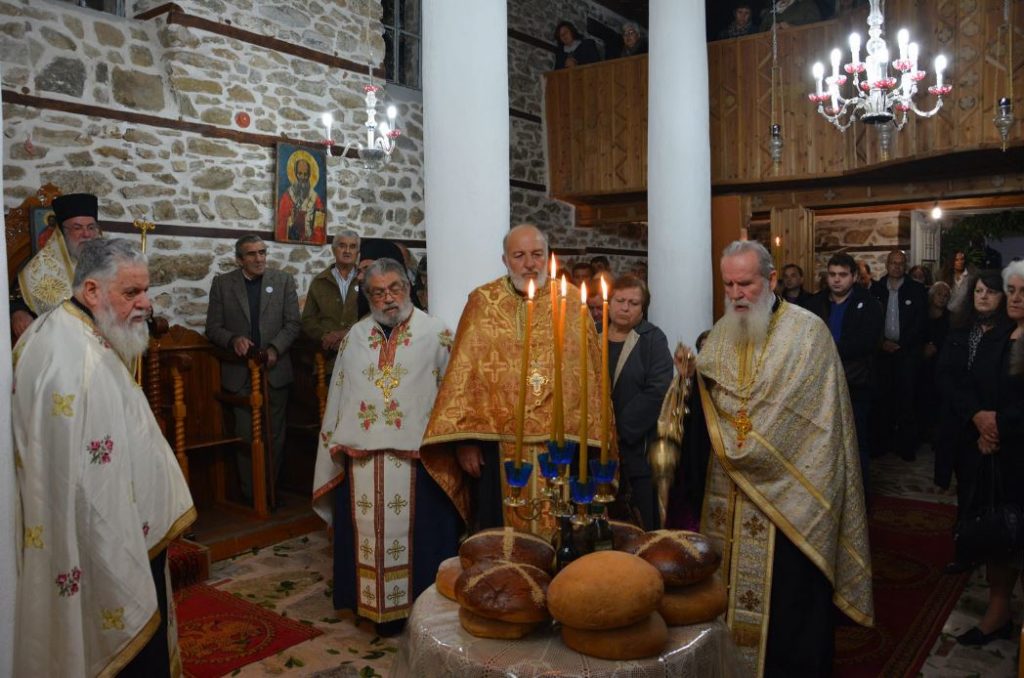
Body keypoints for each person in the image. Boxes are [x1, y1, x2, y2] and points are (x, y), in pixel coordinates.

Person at [681, 240, 873, 676]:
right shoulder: (722, 333)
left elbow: (814, 426)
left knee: (788, 611)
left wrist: (740, 445)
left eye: (745, 283)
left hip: (789, 506)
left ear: (769, 280)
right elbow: (705, 414)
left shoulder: (808, 333)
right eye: (728, 284)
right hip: (726, 502)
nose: (735, 294)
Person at [13, 238, 195, 676]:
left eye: (146, 291)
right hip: (101, 531)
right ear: (92, 291)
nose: (146, 304)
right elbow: (82, 475)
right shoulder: (73, 357)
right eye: (131, 293)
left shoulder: (72, 328)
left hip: (114, 518)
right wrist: (120, 533)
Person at [421, 224, 606, 536]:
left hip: (561, 445)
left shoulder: (573, 303)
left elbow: (592, 377)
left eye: (537, 255)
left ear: (548, 258)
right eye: (519, 256)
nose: (530, 264)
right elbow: (463, 379)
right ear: (505, 260)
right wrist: (466, 440)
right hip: (498, 446)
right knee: (500, 537)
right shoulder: (482, 302)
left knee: (566, 530)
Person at [312, 258, 460, 637]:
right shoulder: (355, 338)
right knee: (365, 538)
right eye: (378, 292)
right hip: (362, 464)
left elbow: (453, 397)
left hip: (419, 462)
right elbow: (340, 396)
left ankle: (423, 614)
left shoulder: (437, 333)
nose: (388, 298)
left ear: (408, 288)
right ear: (368, 296)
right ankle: (368, 608)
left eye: (394, 289)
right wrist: (337, 444)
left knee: (420, 541)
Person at [949, 262, 1024, 645]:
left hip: (1015, 447)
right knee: (1002, 534)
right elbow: (976, 384)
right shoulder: (1008, 334)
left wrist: (998, 429)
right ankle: (998, 613)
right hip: (999, 449)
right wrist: (982, 424)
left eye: (1021, 291)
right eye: (1010, 290)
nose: (1014, 297)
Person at [205, 235, 301, 504]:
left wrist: (274, 349)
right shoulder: (223, 285)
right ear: (239, 259)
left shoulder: (282, 281)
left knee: (275, 437)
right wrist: (233, 340)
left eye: (262, 252)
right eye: (251, 254)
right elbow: (213, 328)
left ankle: (270, 493)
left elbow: (293, 324)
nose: (259, 259)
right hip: (240, 375)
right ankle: (252, 496)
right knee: (247, 437)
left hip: (275, 372)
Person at [806, 252, 883, 496]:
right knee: (821, 443)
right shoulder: (815, 303)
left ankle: (859, 498)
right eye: (832, 275)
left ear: (854, 277)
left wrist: (827, 349)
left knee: (856, 441)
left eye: (842, 275)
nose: (837, 280)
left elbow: (867, 342)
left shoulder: (869, 303)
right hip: (819, 384)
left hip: (855, 384)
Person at [606, 274, 673, 529]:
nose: (625, 308)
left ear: (643, 308)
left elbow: (658, 389)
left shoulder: (652, 339)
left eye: (633, 303)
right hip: (595, 449)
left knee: (640, 524)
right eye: (620, 300)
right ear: (609, 302)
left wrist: (617, 429)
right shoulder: (593, 333)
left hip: (636, 450)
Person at [11, 192, 101, 339]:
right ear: (62, 233)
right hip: (60, 345)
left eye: (91, 227)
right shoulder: (39, 268)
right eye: (77, 228)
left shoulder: (111, 261)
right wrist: (17, 313)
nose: (86, 234)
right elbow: (16, 299)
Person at [871, 248, 928, 460]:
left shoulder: (916, 290)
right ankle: (882, 443)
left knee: (907, 400)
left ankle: (905, 447)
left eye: (900, 263)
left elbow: (921, 323)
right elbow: (871, 322)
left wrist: (902, 344)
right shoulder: (875, 289)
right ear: (886, 265)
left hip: (908, 353)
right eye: (893, 263)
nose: (896, 266)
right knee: (882, 399)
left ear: (905, 266)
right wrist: (881, 343)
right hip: (882, 354)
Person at [301, 230, 361, 360]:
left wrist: (347, 334)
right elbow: (308, 320)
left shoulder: (365, 280)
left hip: (359, 353)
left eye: (352, 247)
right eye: (342, 246)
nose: (347, 251)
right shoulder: (319, 281)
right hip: (327, 356)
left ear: (358, 252)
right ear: (333, 250)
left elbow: (371, 316)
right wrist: (326, 336)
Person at [276, 156, 326, 244]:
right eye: (300, 173)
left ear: (309, 175)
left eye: (305, 174)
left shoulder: (316, 199)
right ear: (295, 174)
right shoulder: (287, 196)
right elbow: (281, 223)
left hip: (310, 243)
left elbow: (319, 225)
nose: (302, 177)